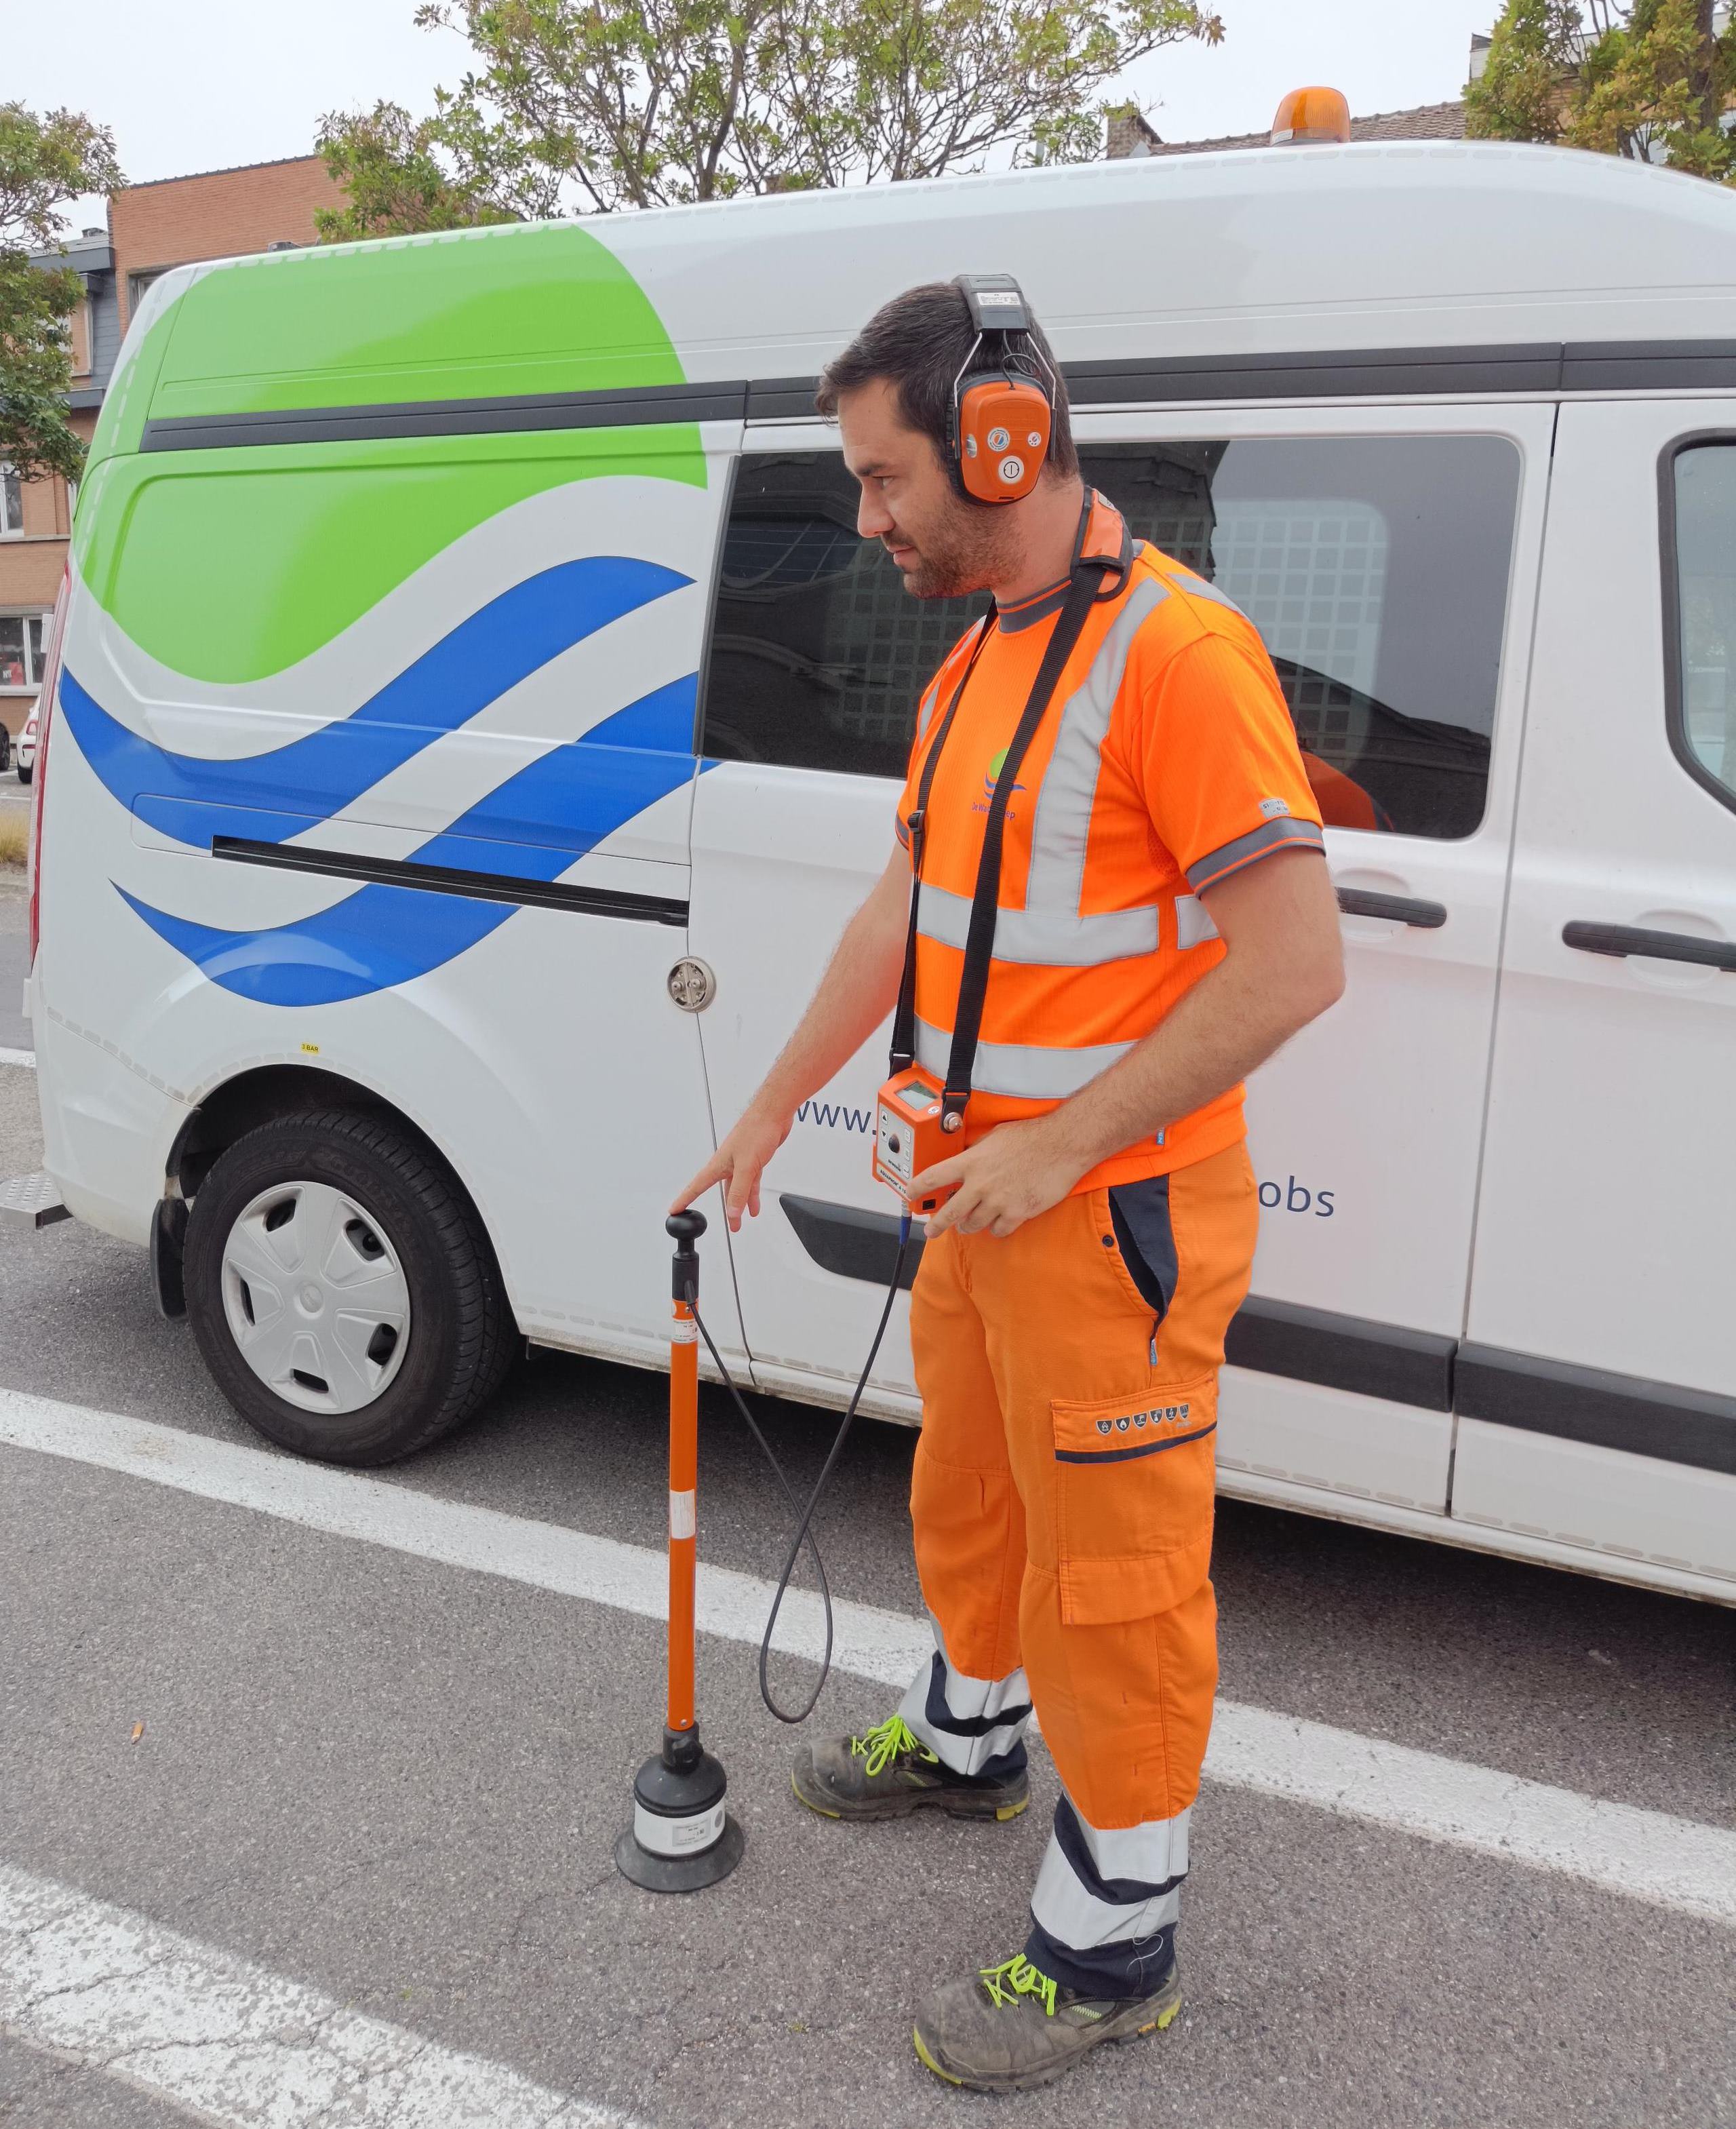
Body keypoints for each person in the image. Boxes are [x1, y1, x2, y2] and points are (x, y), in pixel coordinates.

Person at [673, 281, 1344, 2096]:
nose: (870, 520)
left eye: (886, 480)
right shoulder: (976, 658)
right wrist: (774, 1103)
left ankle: (1117, 1941)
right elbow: (907, 908)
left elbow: (1294, 962)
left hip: (1107, 1220)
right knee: (971, 1492)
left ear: (1003, 442)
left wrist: (1059, 1141)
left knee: (1118, 1581)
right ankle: (973, 1738)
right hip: (978, 1209)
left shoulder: (1180, 659)